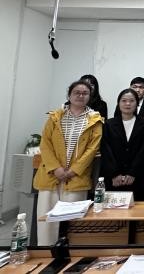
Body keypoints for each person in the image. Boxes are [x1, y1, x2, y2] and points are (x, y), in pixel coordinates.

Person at [34, 80, 103, 246]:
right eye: (76, 92)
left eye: (85, 93)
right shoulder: (55, 116)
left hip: (76, 177)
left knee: (73, 222)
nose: (80, 96)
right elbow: (45, 144)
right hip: (51, 175)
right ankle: (47, 253)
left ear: (90, 97)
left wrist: (73, 170)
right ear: (69, 95)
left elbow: (92, 149)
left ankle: (70, 255)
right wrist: (55, 168)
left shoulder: (95, 120)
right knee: (47, 220)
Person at [100, 89, 144, 199]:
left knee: (136, 207)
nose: (128, 104)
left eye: (132, 101)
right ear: (118, 103)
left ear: (137, 103)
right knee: (113, 207)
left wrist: (133, 173)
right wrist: (114, 174)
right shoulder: (109, 124)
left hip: (136, 177)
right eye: (124, 100)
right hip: (113, 178)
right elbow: (106, 150)